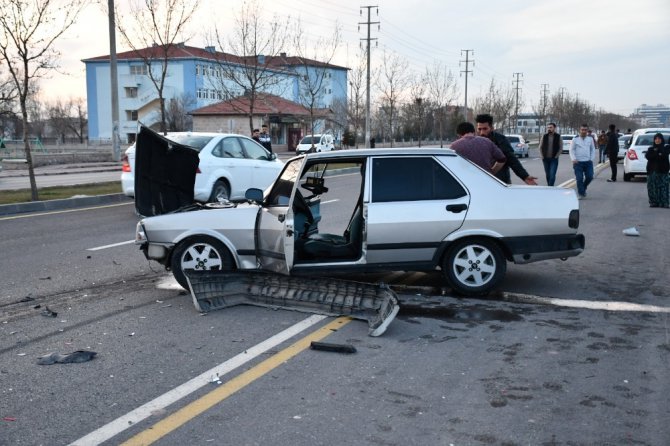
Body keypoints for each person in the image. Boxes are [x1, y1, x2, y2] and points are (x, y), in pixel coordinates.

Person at [475, 113, 538, 185]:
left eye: (485, 129)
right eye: (479, 129)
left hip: (500, 181)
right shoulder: (473, 141)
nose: (482, 132)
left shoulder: (501, 140)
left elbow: (512, 159)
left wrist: (525, 176)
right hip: (480, 182)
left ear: (492, 128)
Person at [569, 124, 596, 199]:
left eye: (585, 130)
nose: (583, 131)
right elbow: (571, 150)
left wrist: (591, 159)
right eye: (582, 130)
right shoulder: (575, 139)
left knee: (590, 176)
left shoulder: (590, 139)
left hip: (588, 162)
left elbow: (592, 149)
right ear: (579, 130)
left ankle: (583, 188)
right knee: (579, 178)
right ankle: (581, 193)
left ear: (587, 131)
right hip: (578, 162)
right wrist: (573, 159)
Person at [644, 133, 670, 208]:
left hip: (663, 171)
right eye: (656, 139)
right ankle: (653, 202)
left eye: (659, 139)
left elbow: (664, 155)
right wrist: (658, 153)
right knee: (652, 187)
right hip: (652, 171)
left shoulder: (666, 147)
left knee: (664, 187)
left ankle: (664, 202)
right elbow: (648, 156)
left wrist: (658, 153)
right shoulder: (651, 148)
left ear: (662, 140)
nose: (657, 140)